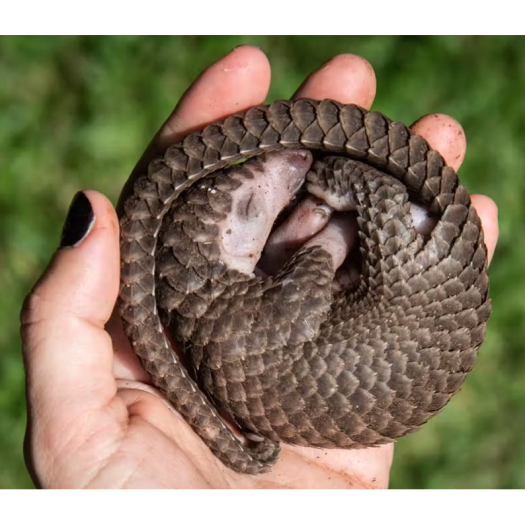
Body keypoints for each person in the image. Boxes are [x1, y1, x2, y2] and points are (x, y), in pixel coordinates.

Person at [20, 45, 499, 490]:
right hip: (425, 286)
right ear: (231, 244)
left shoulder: (232, 338)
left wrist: (324, 228)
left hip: (404, 312)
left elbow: (308, 278)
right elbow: (313, 269)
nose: (295, 164)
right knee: (358, 202)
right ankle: (366, 189)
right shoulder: (244, 335)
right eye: (252, 206)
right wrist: (331, 217)